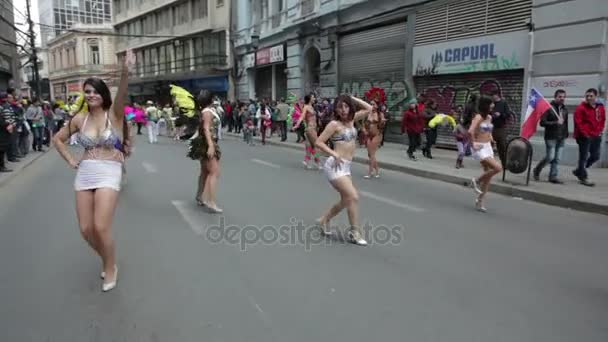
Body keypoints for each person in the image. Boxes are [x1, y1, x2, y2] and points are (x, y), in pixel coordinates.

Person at [52, 58, 131, 292]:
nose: (91, 95)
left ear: (103, 94)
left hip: (109, 172)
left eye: (95, 91)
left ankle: (110, 266)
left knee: (100, 227)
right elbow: (57, 139)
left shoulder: (114, 114)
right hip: (85, 172)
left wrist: (126, 72)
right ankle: (108, 261)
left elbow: (122, 94)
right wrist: (70, 159)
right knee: (86, 229)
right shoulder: (79, 118)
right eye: (87, 91)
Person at [315, 95, 372, 246]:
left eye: (346, 106)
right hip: (335, 166)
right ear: (336, 109)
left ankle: (323, 220)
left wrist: (353, 98)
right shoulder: (334, 125)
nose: (343, 110)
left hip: (346, 166)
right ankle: (355, 232)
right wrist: (333, 153)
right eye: (340, 107)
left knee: (346, 199)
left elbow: (369, 108)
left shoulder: (353, 120)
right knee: (353, 196)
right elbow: (318, 142)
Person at [189, 90, 223, 213]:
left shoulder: (203, 111)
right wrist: (210, 145)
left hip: (203, 143)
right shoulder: (207, 112)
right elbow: (206, 128)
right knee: (214, 172)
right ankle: (211, 201)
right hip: (207, 143)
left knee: (204, 172)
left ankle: (199, 196)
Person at [468, 95, 502, 212]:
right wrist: (473, 144)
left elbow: (488, 130)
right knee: (498, 168)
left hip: (488, 146)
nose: (493, 105)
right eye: (491, 103)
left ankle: (480, 201)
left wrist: (491, 138)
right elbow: (470, 131)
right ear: (485, 105)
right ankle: (476, 181)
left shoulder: (489, 117)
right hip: (479, 147)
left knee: (488, 176)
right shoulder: (478, 117)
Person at [533, 89, 569, 184]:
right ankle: (537, 170)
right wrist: (555, 123)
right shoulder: (548, 108)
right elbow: (542, 123)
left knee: (557, 158)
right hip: (551, 137)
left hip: (561, 137)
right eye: (560, 97)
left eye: (563, 97)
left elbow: (565, 123)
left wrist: (566, 134)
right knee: (550, 157)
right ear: (555, 97)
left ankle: (553, 176)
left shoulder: (565, 109)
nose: (562, 98)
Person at [572, 88, 606, 187]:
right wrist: (585, 134)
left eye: (591, 96)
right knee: (583, 157)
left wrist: (600, 131)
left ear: (596, 96)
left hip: (596, 135)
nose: (589, 98)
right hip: (584, 136)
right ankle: (583, 177)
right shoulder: (581, 107)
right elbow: (578, 122)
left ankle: (579, 170)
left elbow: (602, 120)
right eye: (587, 96)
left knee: (596, 156)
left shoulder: (600, 107)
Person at [294, 94, 321, 169]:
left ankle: (306, 161)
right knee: (317, 145)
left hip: (313, 128)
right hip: (310, 128)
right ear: (309, 99)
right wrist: (297, 125)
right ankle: (317, 162)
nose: (314, 98)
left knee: (309, 146)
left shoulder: (312, 107)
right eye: (313, 97)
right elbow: (302, 117)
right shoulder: (306, 107)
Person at [363, 100, 386, 178]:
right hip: (369, 135)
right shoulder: (368, 113)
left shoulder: (380, 114)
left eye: (373, 104)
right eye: (371, 104)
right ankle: (377, 170)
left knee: (372, 154)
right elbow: (364, 124)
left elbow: (382, 126)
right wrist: (364, 130)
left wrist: (382, 122)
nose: (372, 105)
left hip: (377, 135)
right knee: (370, 154)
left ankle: (370, 172)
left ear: (377, 105)